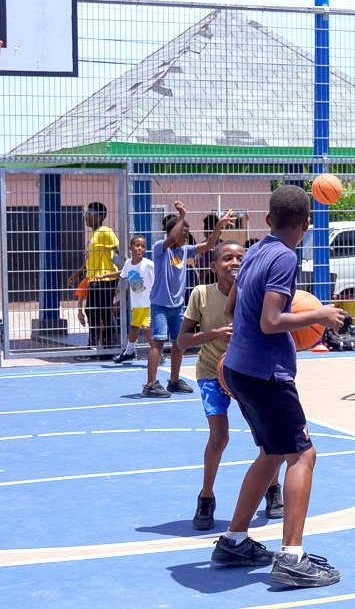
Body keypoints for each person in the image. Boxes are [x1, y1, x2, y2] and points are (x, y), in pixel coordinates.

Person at [211, 185, 347, 588]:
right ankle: (291, 556)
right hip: (266, 373)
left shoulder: (254, 250)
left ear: (269, 220)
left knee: (271, 452)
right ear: (307, 224)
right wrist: (317, 314)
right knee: (303, 455)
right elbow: (271, 320)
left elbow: (233, 309)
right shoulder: (286, 258)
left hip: (238, 367)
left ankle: (234, 540)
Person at [176, 240, 283, 531]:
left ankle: (273, 490)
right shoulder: (201, 294)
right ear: (213, 266)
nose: (234, 262)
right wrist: (212, 334)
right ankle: (206, 496)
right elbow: (182, 340)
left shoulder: (257, 293)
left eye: (240, 257)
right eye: (226, 258)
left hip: (249, 372)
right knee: (219, 437)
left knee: (266, 436)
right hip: (212, 372)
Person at [142, 201, 233, 398]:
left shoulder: (184, 251)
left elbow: (209, 245)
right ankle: (150, 384)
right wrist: (181, 216)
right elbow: (173, 236)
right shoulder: (161, 249)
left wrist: (219, 225)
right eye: (183, 233)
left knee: (178, 343)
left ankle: (173, 381)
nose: (185, 236)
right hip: (160, 305)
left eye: (186, 233)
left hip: (177, 306)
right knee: (157, 343)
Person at [68, 202, 120, 355]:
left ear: (101, 217)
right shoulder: (93, 235)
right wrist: (77, 274)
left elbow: (118, 250)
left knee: (99, 311)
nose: (87, 218)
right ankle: (104, 346)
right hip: (94, 279)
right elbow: (90, 260)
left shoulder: (105, 232)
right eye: (86, 215)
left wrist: (123, 270)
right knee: (98, 311)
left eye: (90, 214)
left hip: (105, 279)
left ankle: (101, 346)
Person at [109, 236, 155, 364]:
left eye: (142, 246)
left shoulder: (148, 264)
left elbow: (157, 281)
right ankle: (129, 352)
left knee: (146, 328)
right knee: (134, 328)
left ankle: (157, 351)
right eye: (137, 245)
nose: (139, 248)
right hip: (137, 304)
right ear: (130, 247)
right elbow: (122, 274)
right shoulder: (128, 264)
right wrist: (103, 275)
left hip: (148, 303)